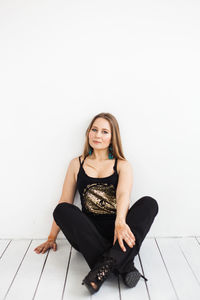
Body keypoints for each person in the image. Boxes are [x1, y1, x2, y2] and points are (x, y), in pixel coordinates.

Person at [34, 112, 159, 295]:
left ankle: (103, 268)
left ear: (112, 137)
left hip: (119, 233)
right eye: (94, 130)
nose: (98, 135)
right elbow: (65, 200)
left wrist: (120, 221)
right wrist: (51, 237)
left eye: (104, 132)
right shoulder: (76, 164)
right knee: (61, 210)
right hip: (87, 236)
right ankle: (124, 266)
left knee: (149, 203)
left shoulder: (122, 165)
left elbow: (123, 194)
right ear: (88, 133)